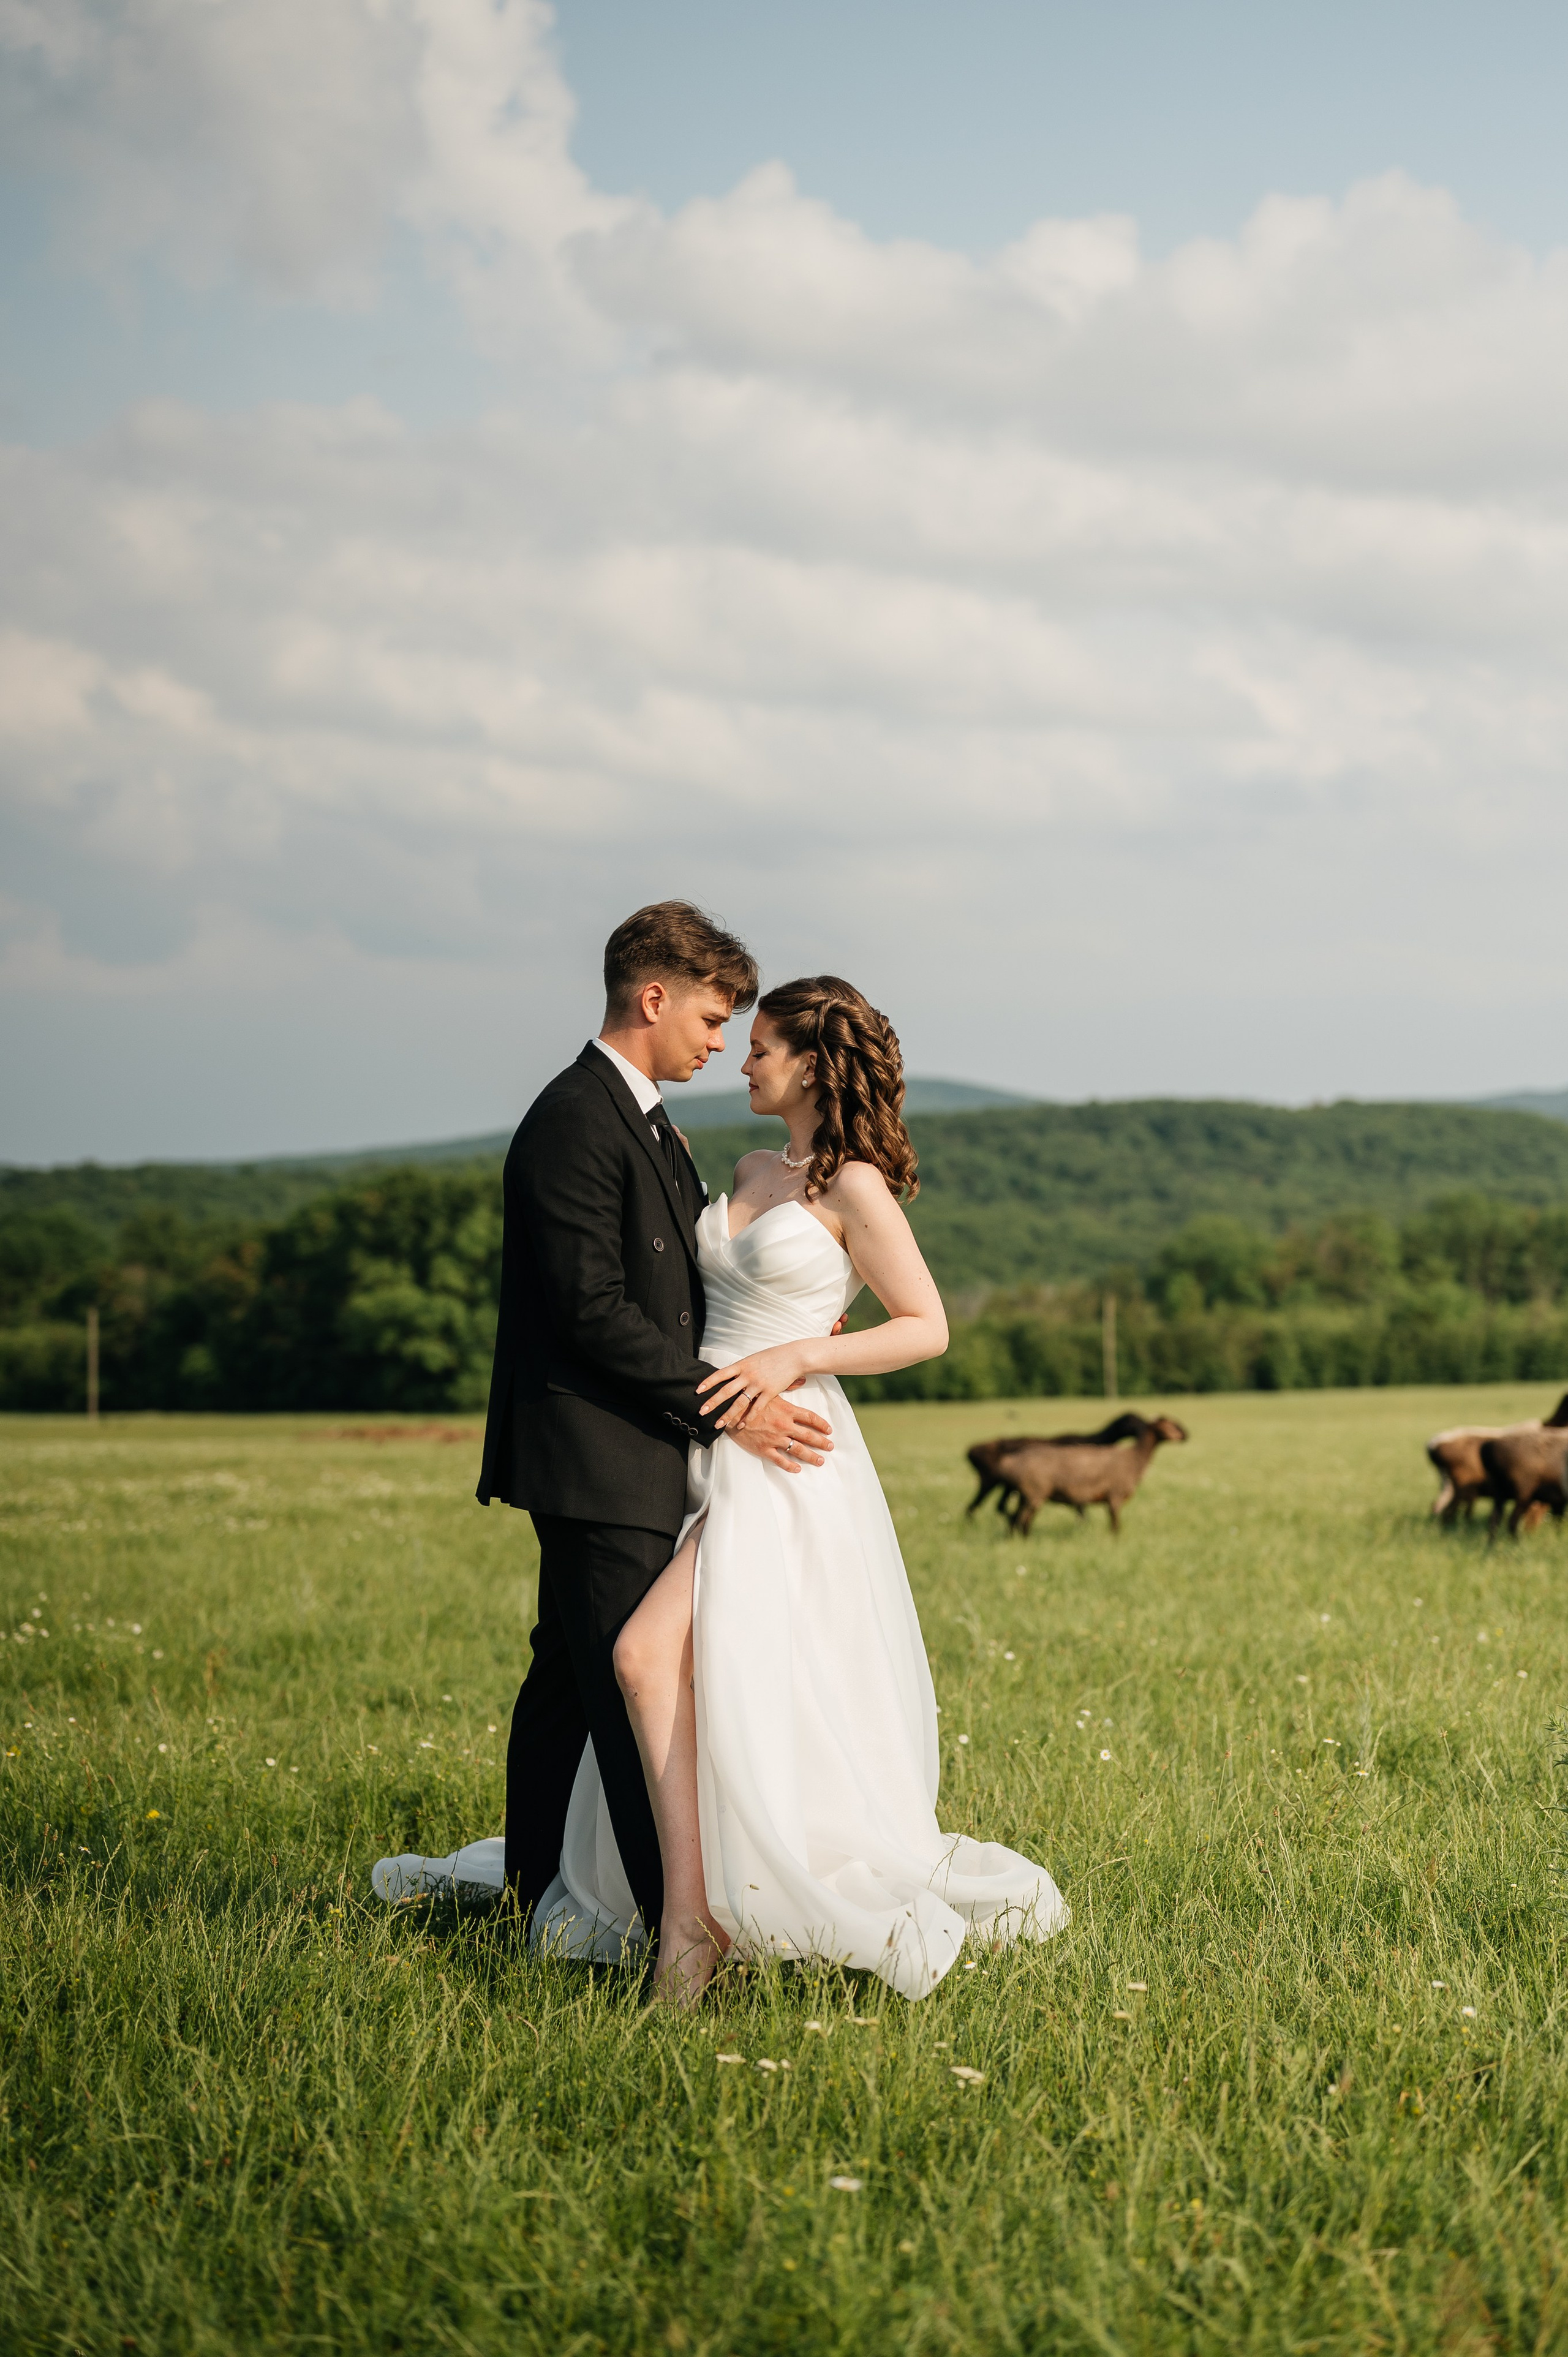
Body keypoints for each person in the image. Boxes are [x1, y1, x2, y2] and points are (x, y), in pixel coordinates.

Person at [554, 974, 1067, 2002]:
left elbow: (926, 1325)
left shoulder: (855, 1188)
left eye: (761, 1049)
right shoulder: (744, 1166)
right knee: (711, 1672)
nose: (742, 1062)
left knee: (646, 1654)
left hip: (783, 1450)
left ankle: (694, 1930)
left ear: (813, 1064)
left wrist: (798, 1359)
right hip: (698, 1433)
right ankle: (698, 1904)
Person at [371, 901, 833, 1940]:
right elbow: (590, 1313)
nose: (723, 1043)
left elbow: (683, 1296)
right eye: (714, 1019)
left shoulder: (650, 1124)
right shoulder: (576, 1118)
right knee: (637, 1693)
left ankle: (535, 1899)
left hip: (633, 1446)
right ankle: (678, 1933)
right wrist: (730, 1411)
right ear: (653, 996)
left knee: (567, 1687)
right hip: (595, 1453)